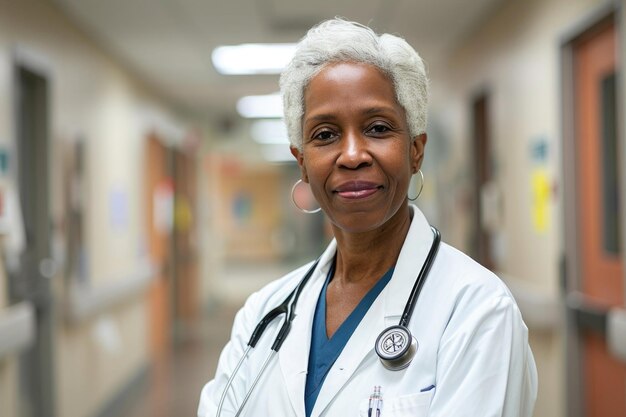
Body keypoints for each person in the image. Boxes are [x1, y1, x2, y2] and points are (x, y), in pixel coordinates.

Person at [198, 18, 537, 417]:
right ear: (302, 163)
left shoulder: (477, 311)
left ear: (415, 150)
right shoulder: (264, 313)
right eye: (325, 134)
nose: (353, 154)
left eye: (377, 128)